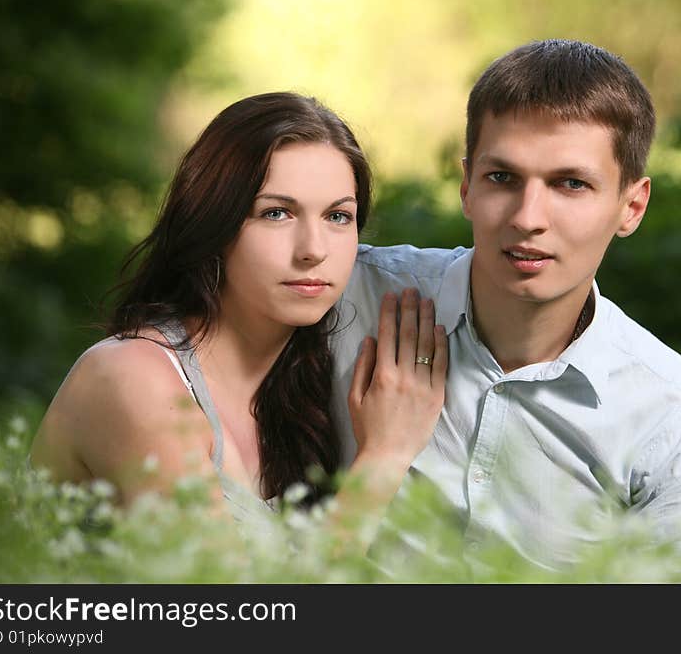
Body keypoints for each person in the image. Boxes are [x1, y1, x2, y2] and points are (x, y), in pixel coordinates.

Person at [330, 40, 681, 577]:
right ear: (467, 187)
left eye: (571, 184)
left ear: (631, 206)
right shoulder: (346, 295)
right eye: (502, 178)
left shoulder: (670, 408)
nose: (528, 217)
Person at [29, 92, 448, 543]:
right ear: (214, 224)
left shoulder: (297, 393)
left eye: (338, 216)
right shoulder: (133, 378)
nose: (314, 249)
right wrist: (385, 456)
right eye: (276, 213)